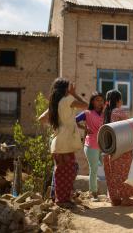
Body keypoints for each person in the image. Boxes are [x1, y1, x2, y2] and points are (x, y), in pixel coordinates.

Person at [38, 78, 88, 208]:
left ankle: (61, 198)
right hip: (65, 143)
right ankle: (62, 200)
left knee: (62, 172)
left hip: (57, 142)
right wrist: (74, 94)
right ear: (66, 89)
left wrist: (58, 126)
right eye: (69, 88)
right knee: (67, 172)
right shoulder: (67, 100)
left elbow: (41, 119)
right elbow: (86, 106)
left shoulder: (54, 104)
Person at [102, 90, 133, 206]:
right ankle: (126, 198)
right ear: (119, 100)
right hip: (121, 149)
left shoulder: (106, 113)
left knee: (112, 174)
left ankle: (115, 199)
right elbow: (128, 126)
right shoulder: (118, 111)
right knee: (124, 173)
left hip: (109, 149)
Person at [76, 92, 105, 202]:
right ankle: (93, 193)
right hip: (90, 145)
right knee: (94, 169)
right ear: (92, 101)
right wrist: (84, 128)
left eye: (101, 100)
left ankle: (110, 193)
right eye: (97, 100)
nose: (100, 102)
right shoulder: (87, 113)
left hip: (103, 146)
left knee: (107, 167)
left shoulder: (104, 114)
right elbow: (74, 120)